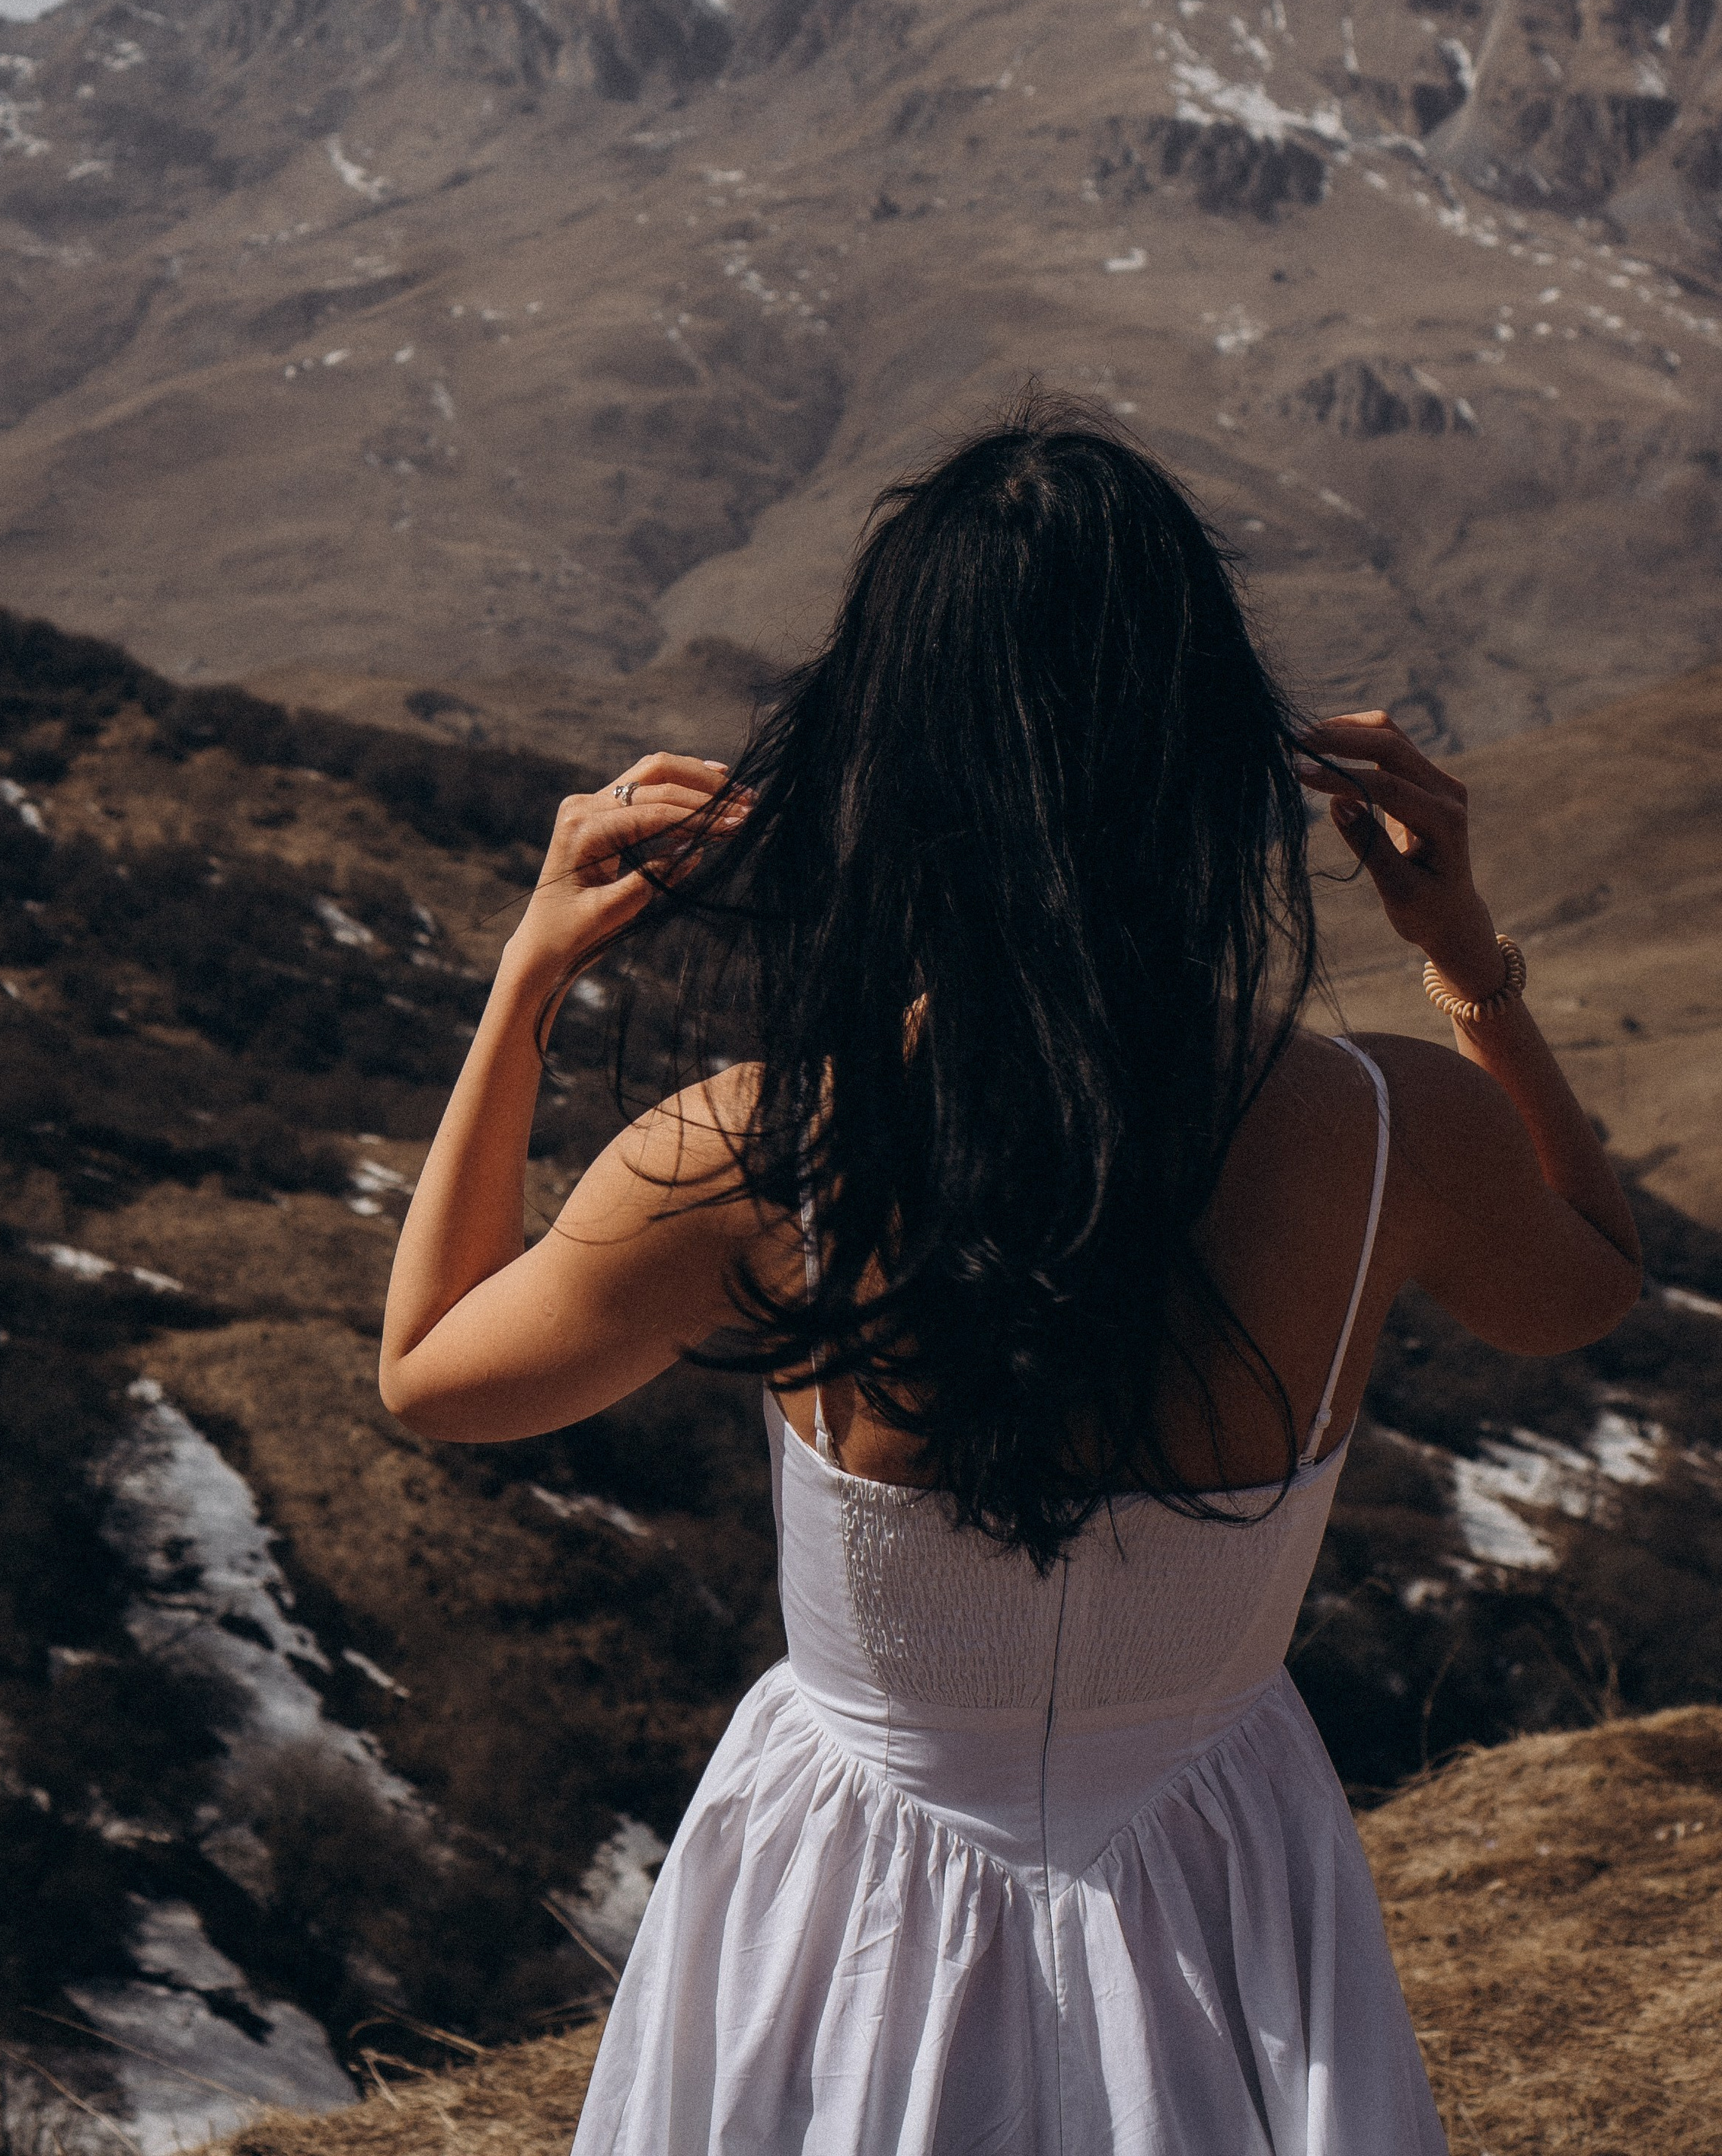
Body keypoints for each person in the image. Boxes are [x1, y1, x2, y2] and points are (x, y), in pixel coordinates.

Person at [379, 402, 1641, 2156]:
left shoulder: (757, 1152)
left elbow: (430, 1372)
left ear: (885, 768)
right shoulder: (1389, 1133)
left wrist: (525, 982)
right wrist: (1466, 967)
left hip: (840, 1918)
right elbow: (1591, 1282)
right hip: (1222, 1889)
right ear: (1218, 756)